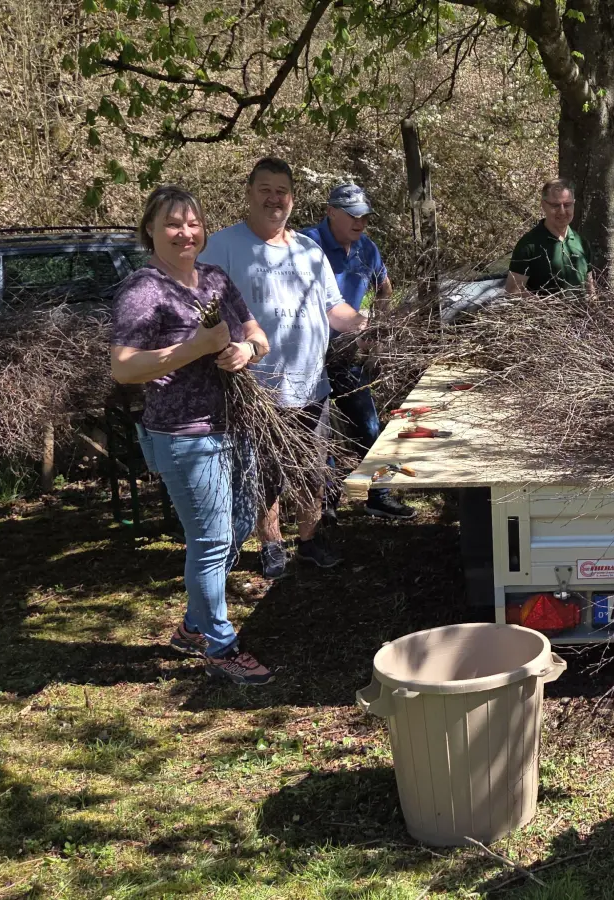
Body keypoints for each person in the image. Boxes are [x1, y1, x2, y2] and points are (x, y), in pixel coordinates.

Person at [110, 185, 275, 685]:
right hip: (184, 434)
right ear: (151, 232)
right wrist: (197, 346)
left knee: (242, 522)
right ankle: (220, 645)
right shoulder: (144, 289)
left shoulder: (216, 279)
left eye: (192, 223)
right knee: (210, 539)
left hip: (234, 423)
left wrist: (247, 351)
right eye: (172, 225)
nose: (185, 233)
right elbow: (123, 369)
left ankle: (191, 626)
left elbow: (256, 333)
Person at [201, 157, 372, 579]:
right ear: (249, 192)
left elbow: (334, 309)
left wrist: (368, 324)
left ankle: (310, 540)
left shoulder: (309, 250)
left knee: (311, 469)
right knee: (266, 472)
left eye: (281, 191)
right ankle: (272, 545)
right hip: (256, 389)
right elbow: (202, 310)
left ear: (292, 200)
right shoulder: (222, 246)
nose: (273, 198)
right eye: (265, 189)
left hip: (312, 385)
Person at [300, 183, 414, 522]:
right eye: (352, 216)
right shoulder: (305, 245)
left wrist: (379, 326)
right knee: (320, 433)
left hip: (348, 350)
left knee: (368, 426)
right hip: (308, 353)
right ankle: (326, 502)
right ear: (331, 211)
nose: (360, 223)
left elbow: (384, 286)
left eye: (364, 217)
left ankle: (378, 496)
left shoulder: (367, 249)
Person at [506, 180, 593, 298]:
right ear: (543, 205)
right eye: (555, 205)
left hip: (583, 315)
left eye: (567, 205)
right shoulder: (528, 245)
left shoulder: (581, 242)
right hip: (546, 316)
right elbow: (513, 291)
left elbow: (590, 290)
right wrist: (546, 308)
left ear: (574, 204)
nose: (562, 212)